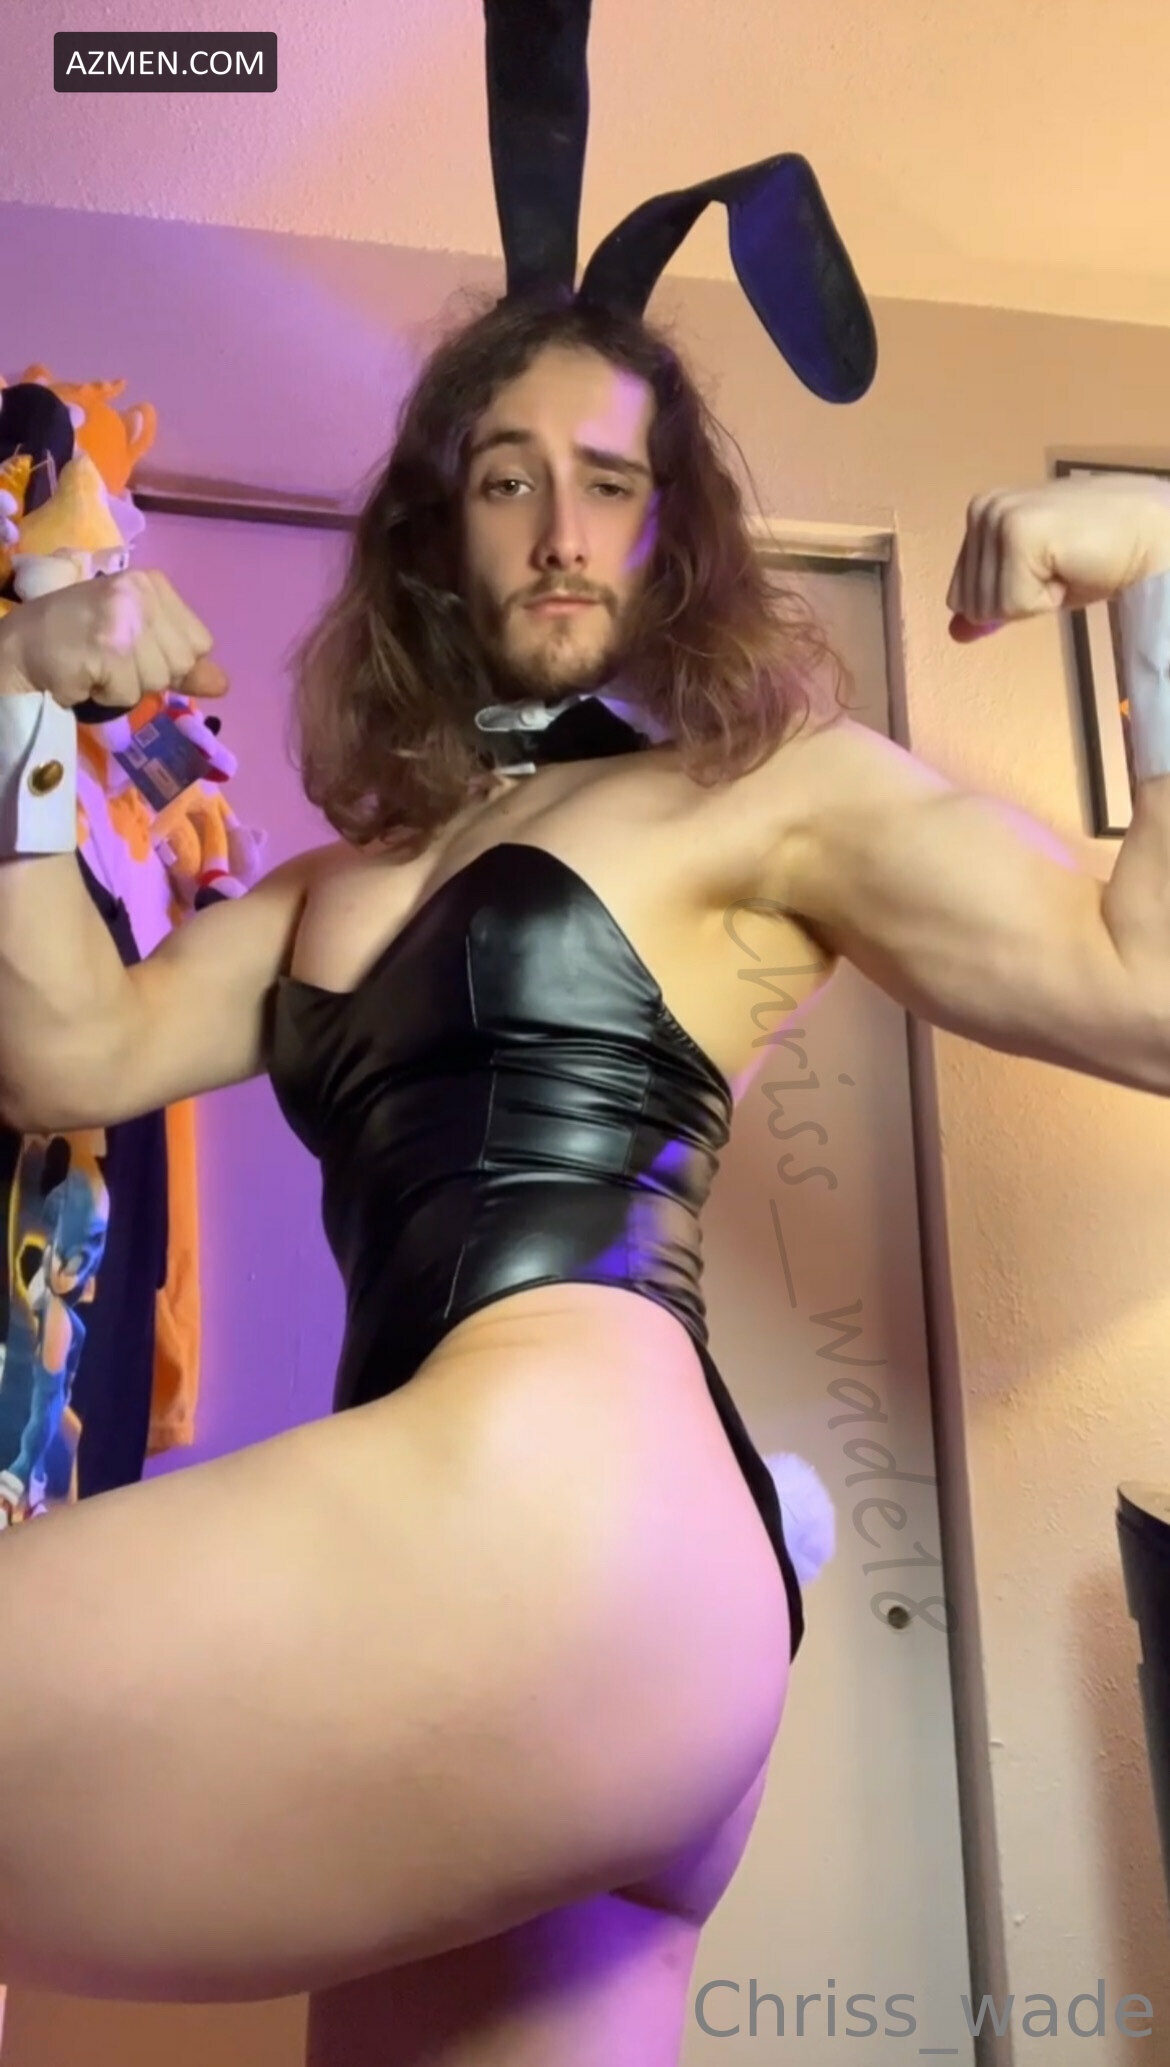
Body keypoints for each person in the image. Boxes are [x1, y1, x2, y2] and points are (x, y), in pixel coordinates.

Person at [0, 291, 1168, 2067]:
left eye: (610, 482)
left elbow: (1147, 996)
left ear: (671, 531)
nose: (559, 530)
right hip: (526, 1616)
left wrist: (1158, 577)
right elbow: (62, 1055)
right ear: (433, 532)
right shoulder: (330, 886)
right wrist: (20, 689)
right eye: (506, 479)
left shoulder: (765, 789)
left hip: (570, 1520)